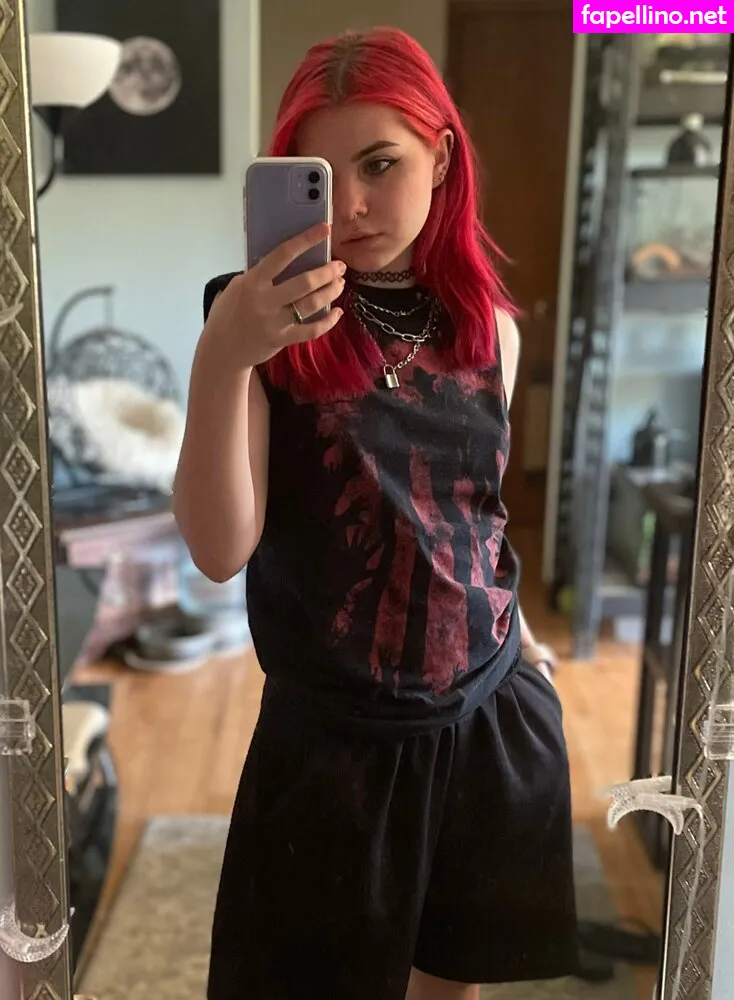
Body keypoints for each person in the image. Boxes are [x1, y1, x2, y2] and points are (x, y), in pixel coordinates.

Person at [173, 25, 577, 1000]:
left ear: (440, 157)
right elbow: (220, 550)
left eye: (381, 163)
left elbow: (472, 518)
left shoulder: (492, 332)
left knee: (452, 982)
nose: (351, 204)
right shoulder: (260, 327)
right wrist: (223, 354)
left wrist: (520, 641)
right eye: (325, 174)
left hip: (485, 714)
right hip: (331, 746)